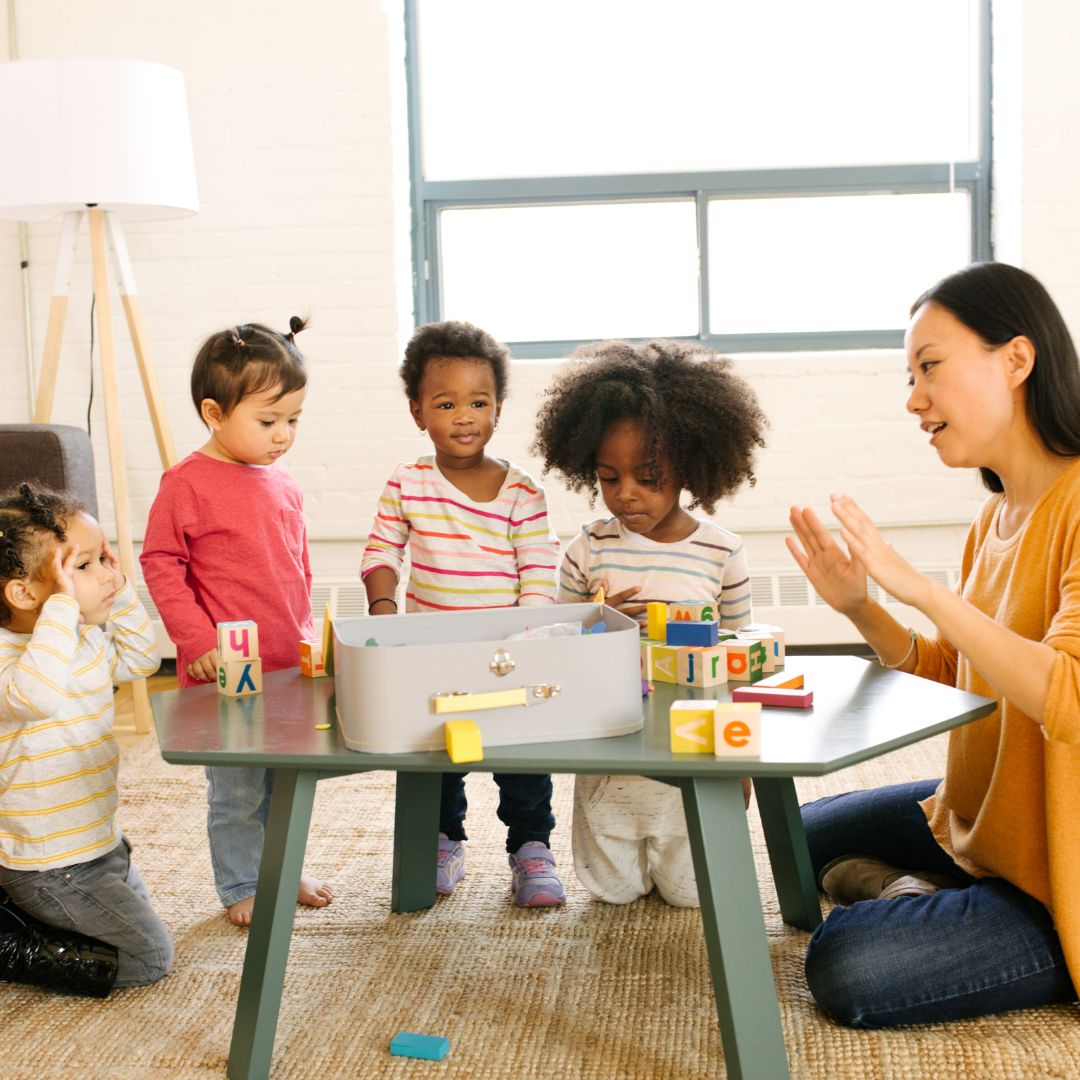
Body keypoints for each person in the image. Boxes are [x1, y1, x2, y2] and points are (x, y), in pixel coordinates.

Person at [787, 261, 1080, 1027]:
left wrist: (923, 591)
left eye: (930, 368)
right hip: (981, 827)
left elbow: (1067, 697)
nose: (914, 400)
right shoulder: (996, 519)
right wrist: (862, 608)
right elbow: (961, 677)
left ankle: (978, 919)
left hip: (1060, 877)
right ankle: (940, 891)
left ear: (1016, 359)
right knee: (799, 834)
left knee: (846, 961)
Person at [531, 338, 768, 905]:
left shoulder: (720, 552)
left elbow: (741, 658)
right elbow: (554, 640)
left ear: (689, 465)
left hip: (692, 745)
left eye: (648, 476)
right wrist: (599, 623)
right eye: (609, 478)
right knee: (611, 890)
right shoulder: (587, 550)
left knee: (691, 893)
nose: (626, 495)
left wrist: (742, 760)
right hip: (612, 746)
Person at [361, 320, 565, 907]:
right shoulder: (408, 482)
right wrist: (383, 607)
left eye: (478, 402)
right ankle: (441, 842)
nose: (464, 415)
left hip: (511, 654)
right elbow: (381, 551)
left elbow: (538, 570)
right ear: (417, 410)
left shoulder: (522, 491)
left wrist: (525, 637)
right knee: (436, 754)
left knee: (522, 756)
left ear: (498, 409)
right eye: (446, 403)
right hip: (434, 653)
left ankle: (532, 851)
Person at [140, 318, 333, 927]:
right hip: (229, 671)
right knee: (239, 791)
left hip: (288, 660)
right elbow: (160, 562)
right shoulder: (186, 483)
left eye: (293, 421)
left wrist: (310, 640)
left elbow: (295, 566)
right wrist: (195, 639)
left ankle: (281, 868)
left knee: (288, 782)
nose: (283, 436)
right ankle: (242, 882)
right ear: (214, 413)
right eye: (268, 421)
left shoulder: (284, 480)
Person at [0, 482, 170, 994]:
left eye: (104, 559)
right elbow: (37, 697)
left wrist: (118, 590)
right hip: (48, 864)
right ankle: (8, 944)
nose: (103, 574)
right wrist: (61, 610)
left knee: (132, 930)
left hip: (100, 845)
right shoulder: (13, 660)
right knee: (148, 958)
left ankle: (33, 917)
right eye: (83, 566)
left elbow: (142, 659)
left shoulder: (83, 641)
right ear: (26, 593)